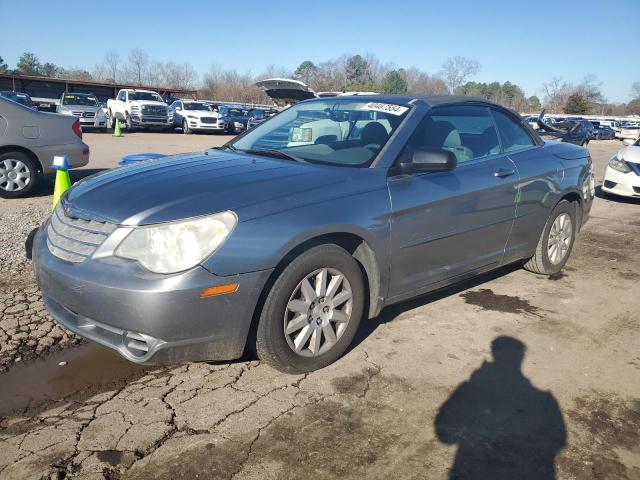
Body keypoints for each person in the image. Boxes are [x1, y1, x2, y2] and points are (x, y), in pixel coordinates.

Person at [435, 336, 566, 479]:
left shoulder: (469, 387)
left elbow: (444, 435)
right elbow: (558, 442)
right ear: (521, 357)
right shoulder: (546, 401)